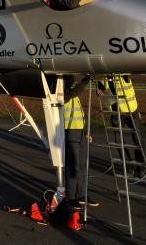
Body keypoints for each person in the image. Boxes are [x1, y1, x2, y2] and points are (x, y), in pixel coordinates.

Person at [97, 74, 146, 178]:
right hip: (116, 113)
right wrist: (100, 93)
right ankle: (129, 167)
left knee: (137, 139)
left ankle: (140, 168)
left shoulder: (122, 74)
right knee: (118, 141)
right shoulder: (102, 79)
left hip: (131, 110)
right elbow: (101, 93)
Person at [63, 75, 99, 209]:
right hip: (70, 132)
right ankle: (71, 197)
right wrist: (86, 79)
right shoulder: (63, 94)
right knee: (73, 166)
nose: (72, 82)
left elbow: (79, 115)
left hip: (80, 133)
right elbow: (74, 92)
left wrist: (85, 133)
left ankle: (81, 195)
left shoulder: (73, 94)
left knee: (82, 166)